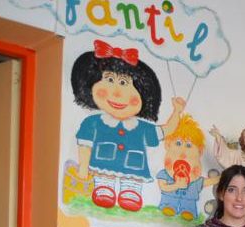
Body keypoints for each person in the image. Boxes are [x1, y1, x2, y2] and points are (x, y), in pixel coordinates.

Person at [70, 39, 185, 211]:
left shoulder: (142, 127)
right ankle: (104, 189)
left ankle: (130, 192)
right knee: (103, 181)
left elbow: (165, 131)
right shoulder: (92, 123)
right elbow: (84, 145)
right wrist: (83, 168)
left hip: (135, 167)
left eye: (124, 83)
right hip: (103, 164)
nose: (117, 93)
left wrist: (177, 112)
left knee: (131, 187)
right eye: (109, 80)